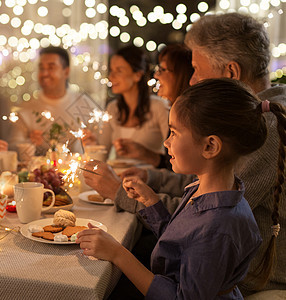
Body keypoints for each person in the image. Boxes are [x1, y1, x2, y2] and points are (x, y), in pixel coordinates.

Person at [84, 13, 286, 295]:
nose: (190, 81)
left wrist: (119, 205)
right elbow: (191, 218)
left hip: (244, 278)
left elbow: (203, 230)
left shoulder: (264, 130)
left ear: (231, 72)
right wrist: (151, 195)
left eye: (196, 69)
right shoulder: (225, 165)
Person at [10, 46, 100, 155]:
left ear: (66, 72)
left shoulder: (84, 104)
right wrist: (29, 143)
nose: (44, 73)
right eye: (41, 68)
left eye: (51, 68)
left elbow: (99, 144)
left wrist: (92, 144)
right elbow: (13, 148)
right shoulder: (26, 108)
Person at [94, 45, 170, 166]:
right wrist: (92, 146)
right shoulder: (113, 108)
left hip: (150, 181)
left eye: (119, 70)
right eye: (111, 70)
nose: (111, 77)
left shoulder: (158, 107)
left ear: (137, 75)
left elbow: (172, 160)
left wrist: (143, 153)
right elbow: (103, 153)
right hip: (119, 180)